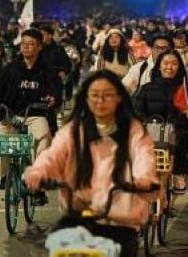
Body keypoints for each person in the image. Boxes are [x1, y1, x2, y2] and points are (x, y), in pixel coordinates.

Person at [24, 70, 157, 257]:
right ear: (86, 99)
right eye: (94, 95)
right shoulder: (74, 130)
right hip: (79, 212)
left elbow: (144, 158)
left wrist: (143, 180)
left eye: (107, 95)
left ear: (119, 98)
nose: (100, 101)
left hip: (119, 217)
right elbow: (53, 155)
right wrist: (38, 172)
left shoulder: (134, 131)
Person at [0, 28, 61, 204]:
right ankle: (5, 175)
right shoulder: (11, 68)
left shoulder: (47, 69)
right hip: (10, 115)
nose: (27, 47)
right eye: (24, 44)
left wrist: (53, 98)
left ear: (39, 47)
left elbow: (55, 89)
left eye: (31, 44)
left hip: (36, 115)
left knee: (43, 142)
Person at [134, 50, 188, 193]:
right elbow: (137, 110)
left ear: (179, 67)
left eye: (174, 64)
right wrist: (145, 122)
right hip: (150, 130)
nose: (169, 67)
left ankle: (177, 172)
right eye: (166, 63)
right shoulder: (146, 88)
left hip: (175, 130)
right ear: (159, 66)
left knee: (181, 137)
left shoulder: (185, 89)